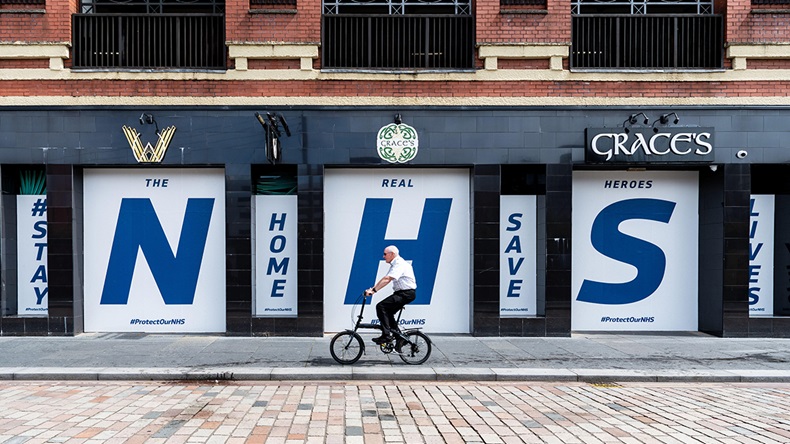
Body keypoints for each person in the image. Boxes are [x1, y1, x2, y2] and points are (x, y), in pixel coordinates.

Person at [365, 245, 416, 351]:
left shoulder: (399, 264)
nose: (383, 256)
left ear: (392, 254)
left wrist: (373, 290)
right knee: (388, 313)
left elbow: (387, 279)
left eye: (385, 254)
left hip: (405, 294)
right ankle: (399, 338)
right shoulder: (397, 263)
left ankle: (386, 336)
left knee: (381, 306)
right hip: (402, 294)